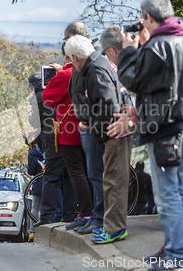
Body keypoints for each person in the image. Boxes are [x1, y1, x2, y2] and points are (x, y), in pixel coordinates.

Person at [117, 0, 183, 270]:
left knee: (168, 196)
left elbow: (133, 79)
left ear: (149, 18)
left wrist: (129, 50)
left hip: (165, 129)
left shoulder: (159, 45)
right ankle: (176, 247)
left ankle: (178, 256)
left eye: (142, 19)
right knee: (179, 190)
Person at [65, 34, 132, 244]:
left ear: (75, 57)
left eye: (70, 59)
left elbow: (107, 104)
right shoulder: (102, 63)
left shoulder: (95, 69)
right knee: (110, 179)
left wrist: (100, 133)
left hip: (111, 131)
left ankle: (108, 225)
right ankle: (109, 224)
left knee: (109, 180)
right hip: (116, 127)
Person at [42, 43, 93, 231]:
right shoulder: (91, 70)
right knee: (84, 174)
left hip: (69, 131)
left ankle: (49, 216)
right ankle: (75, 213)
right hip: (89, 129)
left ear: (67, 56)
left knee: (62, 174)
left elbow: (48, 99)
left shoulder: (65, 74)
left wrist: (60, 73)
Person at [64, 21, 105, 234]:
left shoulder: (94, 61)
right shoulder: (85, 60)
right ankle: (92, 216)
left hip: (92, 126)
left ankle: (97, 218)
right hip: (86, 124)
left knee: (96, 173)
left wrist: (88, 120)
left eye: (65, 40)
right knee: (92, 173)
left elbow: (100, 98)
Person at [28, 72, 77, 227]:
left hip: (52, 141)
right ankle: (69, 215)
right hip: (69, 136)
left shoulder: (38, 96)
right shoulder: (64, 89)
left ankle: (47, 216)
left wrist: (30, 114)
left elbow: (35, 121)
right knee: (69, 178)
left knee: (50, 177)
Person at [26, 138, 44, 242]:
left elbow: (30, 171)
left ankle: (32, 230)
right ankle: (43, 228)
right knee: (45, 207)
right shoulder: (47, 152)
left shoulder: (32, 154)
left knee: (35, 207)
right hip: (50, 182)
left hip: (38, 182)